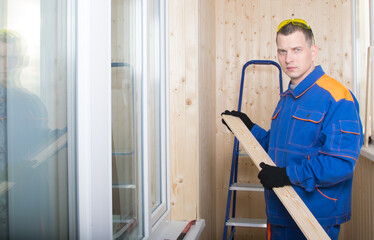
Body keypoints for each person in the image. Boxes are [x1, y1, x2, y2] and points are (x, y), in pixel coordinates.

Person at [222, 19, 363, 240]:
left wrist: (286, 175)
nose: (288, 59)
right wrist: (249, 128)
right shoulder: (288, 99)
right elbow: (275, 148)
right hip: (281, 212)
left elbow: (340, 163)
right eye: (282, 51)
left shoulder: (337, 97)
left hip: (313, 219)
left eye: (297, 50)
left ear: (313, 51)